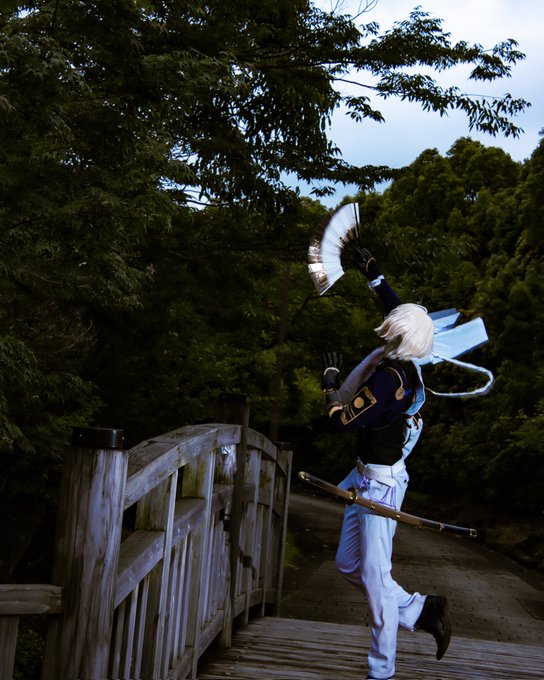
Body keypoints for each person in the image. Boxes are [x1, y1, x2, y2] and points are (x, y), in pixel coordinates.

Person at [320, 248, 451, 680]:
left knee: (377, 584)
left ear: (398, 337)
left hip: (381, 488)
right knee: (347, 564)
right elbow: (399, 313)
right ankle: (419, 610)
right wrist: (374, 275)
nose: (389, 324)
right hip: (365, 477)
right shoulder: (409, 359)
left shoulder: (388, 380)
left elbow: (340, 421)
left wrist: (330, 385)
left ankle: (382, 671)